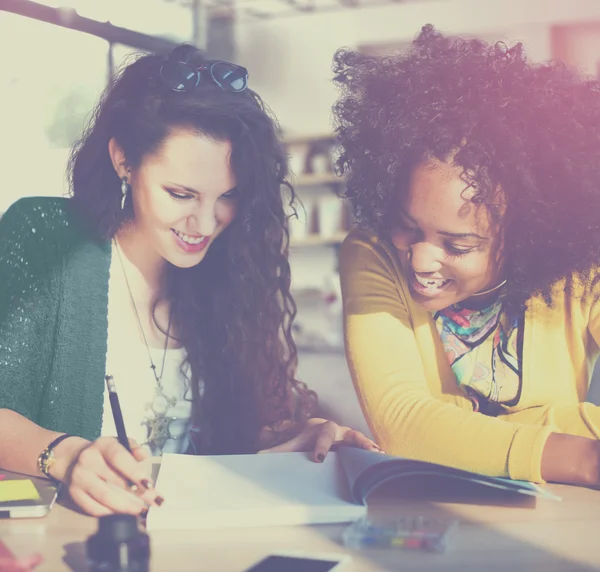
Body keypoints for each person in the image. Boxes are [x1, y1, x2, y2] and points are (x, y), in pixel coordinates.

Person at [0, 44, 378, 517]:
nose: (204, 224)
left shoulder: (228, 270)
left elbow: (215, 443)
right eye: (181, 194)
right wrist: (67, 454)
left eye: (228, 196)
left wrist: (287, 440)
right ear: (124, 160)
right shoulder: (46, 238)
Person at [332, 25, 600, 487]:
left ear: (525, 234)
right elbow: (405, 426)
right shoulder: (372, 253)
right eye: (407, 225)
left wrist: (461, 439)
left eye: (458, 245)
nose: (419, 261)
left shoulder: (579, 272)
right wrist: (583, 456)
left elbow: (428, 434)